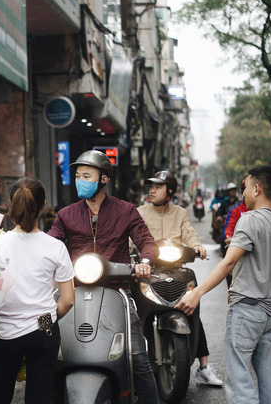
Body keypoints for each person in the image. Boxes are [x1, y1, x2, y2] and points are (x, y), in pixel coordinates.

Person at [48, 150, 160, 404]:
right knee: (49, 350)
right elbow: (50, 244)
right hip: (72, 292)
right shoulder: (66, 215)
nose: (80, 181)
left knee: (137, 356)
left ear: (104, 179)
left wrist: (145, 261)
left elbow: (147, 242)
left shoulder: (126, 210)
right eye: (78, 176)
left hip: (117, 292)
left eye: (87, 176)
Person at [175, 165, 271, 404]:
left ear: (257, 189)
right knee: (270, 381)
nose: (243, 193)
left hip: (248, 311)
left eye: (247, 187)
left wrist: (196, 293)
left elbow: (228, 262)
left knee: (240, 383)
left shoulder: (249, 220)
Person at [0, 177, 75, 404]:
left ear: (12, 206)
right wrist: (49, 317)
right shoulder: (55, 247)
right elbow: (69, 300)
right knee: (39, 397)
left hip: (6, 331)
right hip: (43, 330)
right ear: (43, 206)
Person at [138, 171, 223, 387]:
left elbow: (189, 233)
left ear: (170, 192)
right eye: (151, 186)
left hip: (175, 270)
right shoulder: (139, 212)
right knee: (134, 312)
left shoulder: (180, 213)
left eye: (158, 186)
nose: (152, 190)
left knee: (190, 309)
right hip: (147, 269)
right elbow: (133, 235)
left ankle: (204, 366)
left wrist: (198, 246)